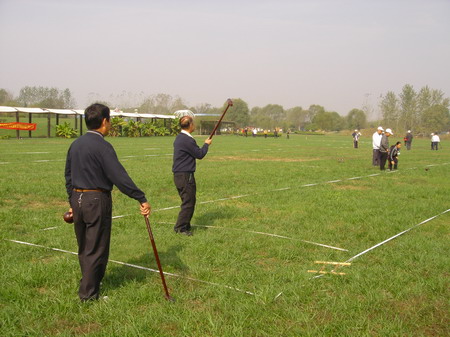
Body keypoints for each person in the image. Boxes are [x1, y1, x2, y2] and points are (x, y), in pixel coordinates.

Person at [65, 103, 151, 302]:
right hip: (96, 200)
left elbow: (68, 175)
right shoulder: (103, 146)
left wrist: (72, 199)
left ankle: (89, 284)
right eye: (110, 120)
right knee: (97, 248)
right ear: (104, 121)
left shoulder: (75, 144)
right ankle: (88, 295)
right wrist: (140, 197)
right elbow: (119, 177)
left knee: (85, 246)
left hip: (78, 199)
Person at [172, 116, 212, 236]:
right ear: (190, 125)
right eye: (193, 123)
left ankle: (185, 225)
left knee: (187, 200)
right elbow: (199, 154)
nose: (194, 125)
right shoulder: (187, 140)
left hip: (179, 175)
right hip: (185, 175)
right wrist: (206, 144)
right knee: (189, 202)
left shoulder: (179, 138)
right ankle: (181, 228)